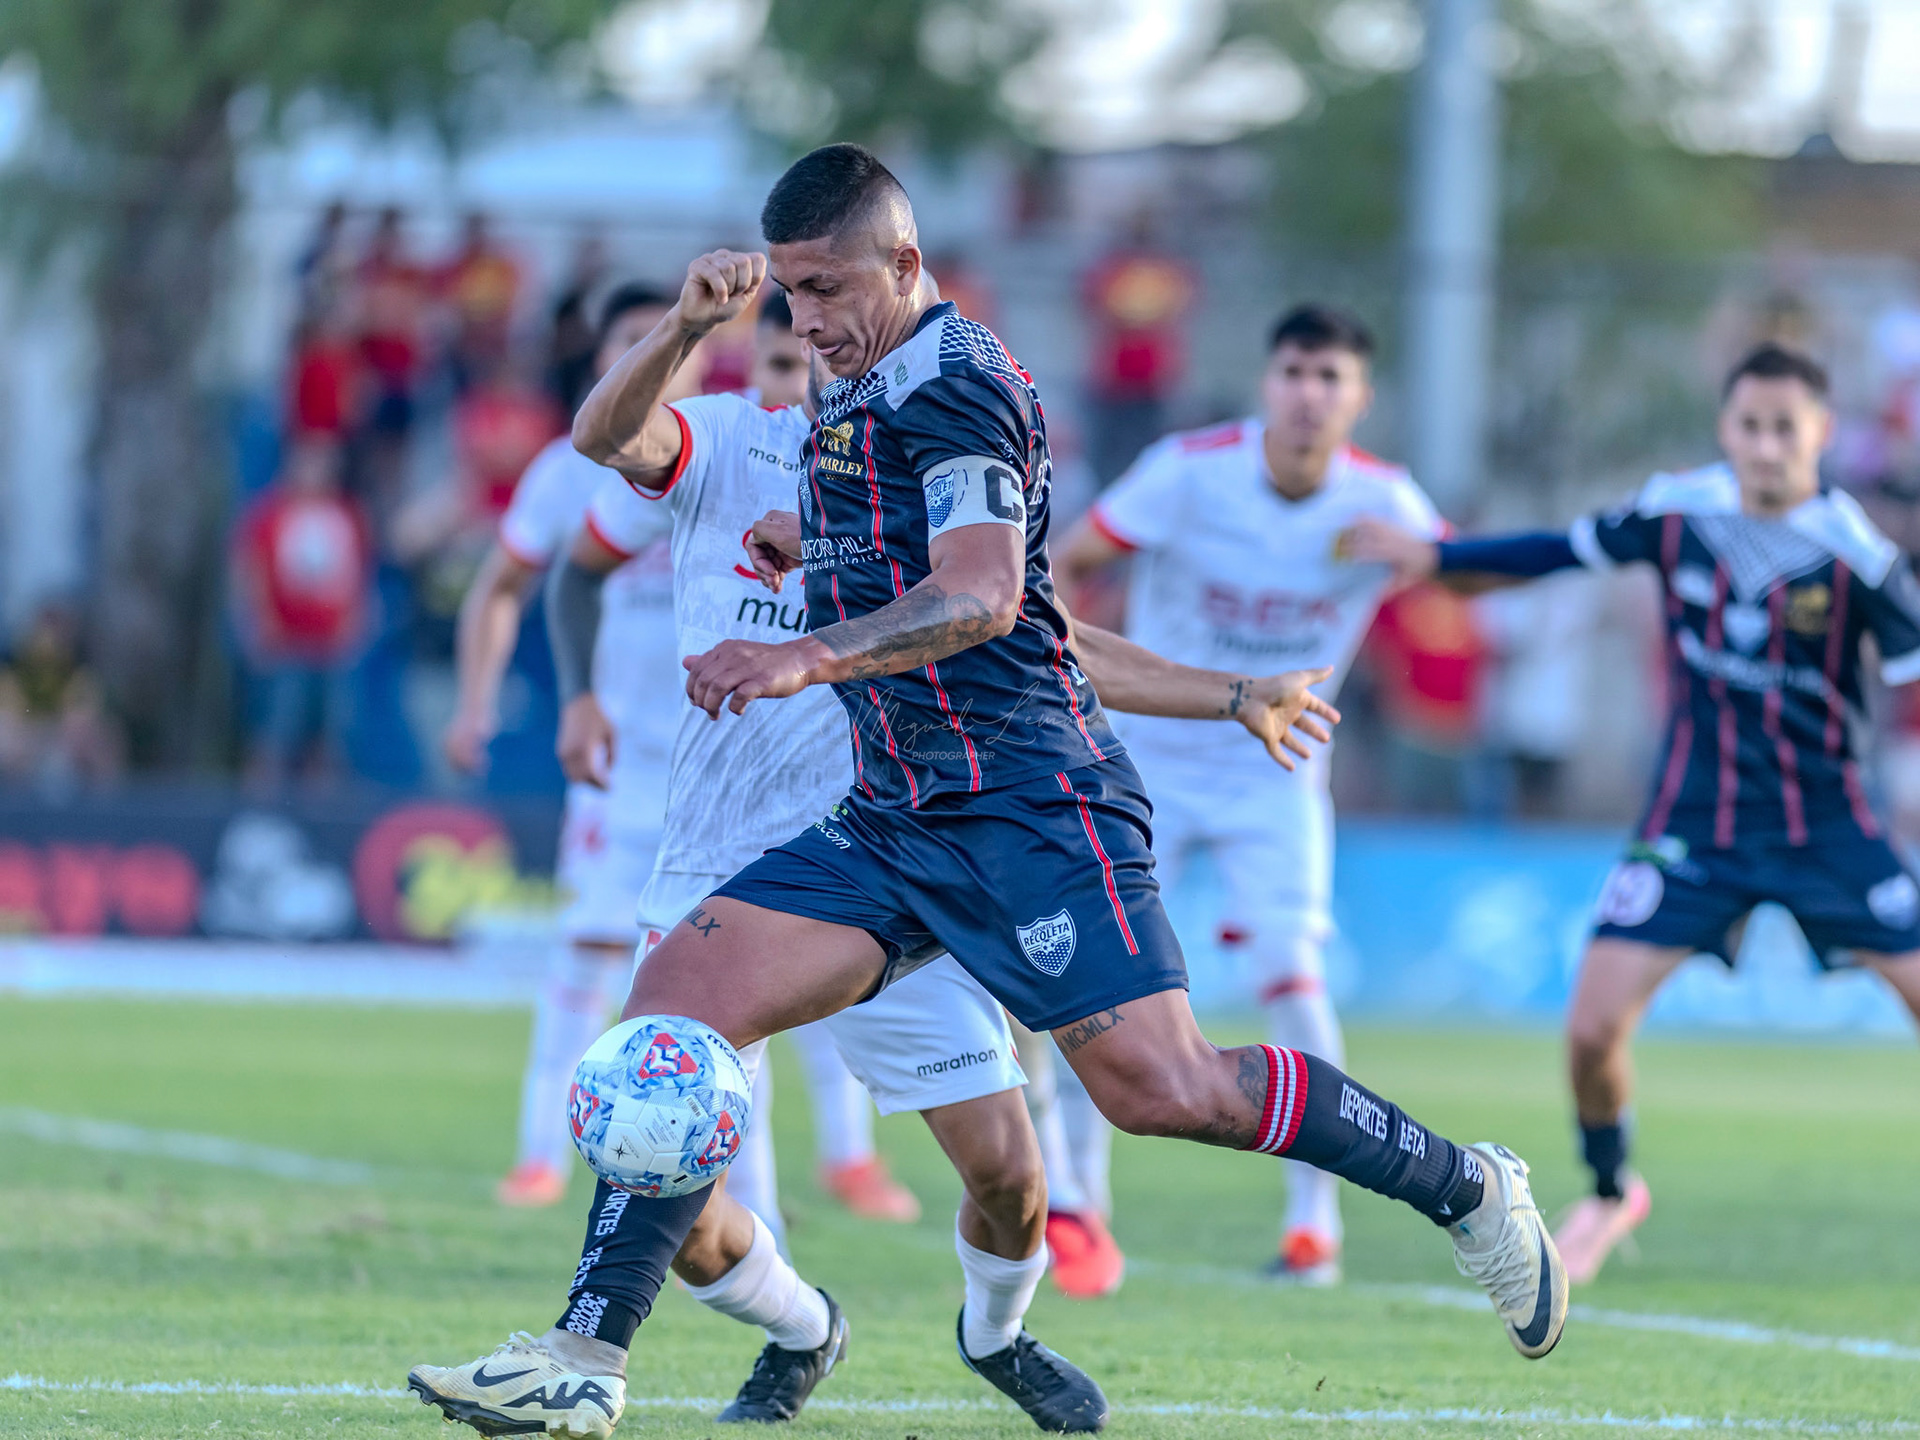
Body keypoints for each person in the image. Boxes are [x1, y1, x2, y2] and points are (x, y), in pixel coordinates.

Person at [406, 144, 1566, 1440]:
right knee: (671, 1011)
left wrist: (803, 650)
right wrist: (824, 544)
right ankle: (585, 1360)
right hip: (891, 819)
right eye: (788, 294)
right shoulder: (841, 394)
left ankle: (1467, 1187)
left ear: (907, 265)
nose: (807, 322)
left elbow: (986, 599)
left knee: (1160, 1092)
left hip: (1035, 808)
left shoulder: (963, 386)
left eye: (827, 289)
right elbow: (1023, 614)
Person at [1345, 341, 1920, 1285]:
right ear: (1726, 427)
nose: (1766, 445)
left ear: (1821, 432)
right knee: (1590, 1028)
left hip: (1832, 831)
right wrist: (1438, 561)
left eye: (1787, 428)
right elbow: (1554, 552)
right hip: (1694, 827)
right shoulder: (1678, 511)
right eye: (1750, 425)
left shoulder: (1860, 557)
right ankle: (1611, 1192)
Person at [1053, 304, 1448, 1286]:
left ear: (1360, 399)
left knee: (1294, 977)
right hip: (1147, 759)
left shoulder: (1387, 503)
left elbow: (1468, 582)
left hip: (1278, 773)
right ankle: (1080, 1209)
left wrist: (1431, 562)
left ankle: (1316, 1227)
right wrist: (1063, 668)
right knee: (1096, 980)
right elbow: (1068, 561)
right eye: (1295, 373)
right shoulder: (1190, 472)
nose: (1310, 395)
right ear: (1268, 383)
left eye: (1331, 379)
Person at [442, 283, 688, 1208]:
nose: (650, 356)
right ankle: (540, 1150)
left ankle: (834, 1162)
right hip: (616, 762)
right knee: (587, 953)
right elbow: (502, 586)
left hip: (726, 766)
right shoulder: (566, 468)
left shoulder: (732, 444)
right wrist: (476, 703)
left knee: (742, 975)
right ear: (601, 360)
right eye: (630, 341)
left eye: (664, 340)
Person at [230, 437, 375, 788]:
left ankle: (321, 811)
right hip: (285, 644)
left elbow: (359, 573)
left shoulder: (347, 514)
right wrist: (259, 622)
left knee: (330, 737)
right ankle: (259, 805)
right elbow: (250, 571)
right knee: (275, 733)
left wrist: (356, 623)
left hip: (333, 645)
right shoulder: (270, 514)